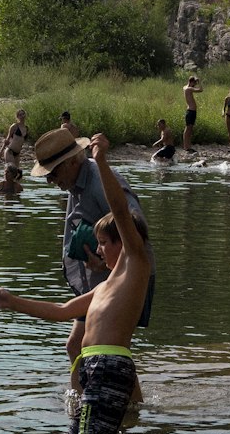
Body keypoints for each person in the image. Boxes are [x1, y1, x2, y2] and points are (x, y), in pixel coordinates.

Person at [0, 133, 152, 434]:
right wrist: (12, 301)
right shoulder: (103, 287)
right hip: (95, 369)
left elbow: (121, 210)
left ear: (122, 241)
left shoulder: (135, 261)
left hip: (108, 368)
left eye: (104, 242)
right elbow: (61, 311)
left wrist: (102, 160)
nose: (98, 249)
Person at [30, 128, 155, 368]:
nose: (50, 180)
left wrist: (108, 262)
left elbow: (135, 227)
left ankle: (92, 402)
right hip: (97, 281)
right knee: (81, 347)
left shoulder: (100, 182)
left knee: (107, 349)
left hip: (123, 281)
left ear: (73, 160)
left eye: (53, 172)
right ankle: (98, 401)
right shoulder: (74, 181)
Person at [183, 75, 203, 153]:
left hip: (191, 111)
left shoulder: (185, 87)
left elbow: (187, 86)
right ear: (191, 82)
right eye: (194, 83)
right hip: (191, 111)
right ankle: (186, 146)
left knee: (190, 129)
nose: (195, 84)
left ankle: (188, 146)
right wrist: (199, 82)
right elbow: (201, 90)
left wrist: (195, 81)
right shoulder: (189, 88)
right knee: (188, 129)